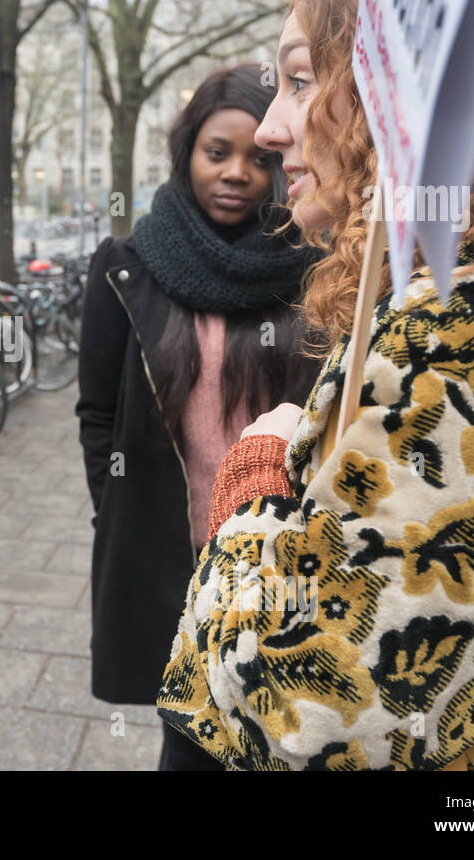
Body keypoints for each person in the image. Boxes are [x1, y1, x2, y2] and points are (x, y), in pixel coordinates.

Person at [159, 0, 474, 770]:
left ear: (404, 94)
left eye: (301, 80)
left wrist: (255, 492)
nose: (269, 129)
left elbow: (309, 715)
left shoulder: (450, 335)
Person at [75, 64, 320, 770]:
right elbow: (96, 414)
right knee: (190, 739)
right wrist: (117, 513)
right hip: (172, 560)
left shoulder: (314, 268)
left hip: (281, 562)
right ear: (187, 152)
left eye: (261, 158)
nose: (239, 172)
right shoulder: (126, 266)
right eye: (219, 151)